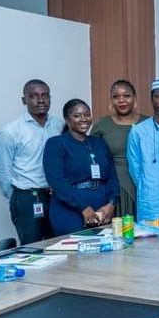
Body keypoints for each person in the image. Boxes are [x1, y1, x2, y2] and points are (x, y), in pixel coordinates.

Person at [0, 79, 64, 244]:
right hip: (27, 196)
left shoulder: (59, 125)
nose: (40, 100)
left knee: (59, 244)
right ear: (24, 100)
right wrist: (17, 197)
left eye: (45, 95)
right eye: (33, 96)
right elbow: (2, 169)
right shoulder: (11, 131)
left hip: (55, 196)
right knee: (31, 248)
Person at [43, 99, 119, 236]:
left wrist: (111, 203)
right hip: (70, 211)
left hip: (102, 210)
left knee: (105, 248)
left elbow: (112, 176)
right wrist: (83, 208)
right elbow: (57, 181)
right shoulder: (56, 144)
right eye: (77, 116)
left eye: (87, 115)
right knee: (77, 248)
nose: (83, 119)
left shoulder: (99, 143)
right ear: (67, 120)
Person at [126, 77, 159, 226]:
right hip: (149, 199)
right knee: (150, 236)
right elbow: (134, 167)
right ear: (151, 98)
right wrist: (147, 185)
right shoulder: (138, 131)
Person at [91, 79, 148, 218]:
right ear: (111, 100)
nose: (121, 100)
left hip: (145, 185)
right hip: (115, 188)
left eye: (126, 96)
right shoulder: (102, 125)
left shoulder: (148, 123)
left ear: (135, 97)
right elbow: (91, 157)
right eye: (116, 97)